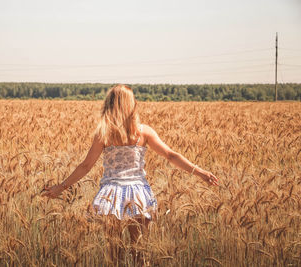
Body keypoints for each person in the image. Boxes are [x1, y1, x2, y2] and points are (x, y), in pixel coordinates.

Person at [42, 84, 219, 266]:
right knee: (140, 252)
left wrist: (60, 187)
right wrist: (199, 172)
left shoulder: (103, 133)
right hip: (138, 195)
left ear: (110, 104)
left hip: (112, 195)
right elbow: (171, 155)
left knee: (114, 253)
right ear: (131, 104)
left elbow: (85, 166)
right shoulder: (143, 132)